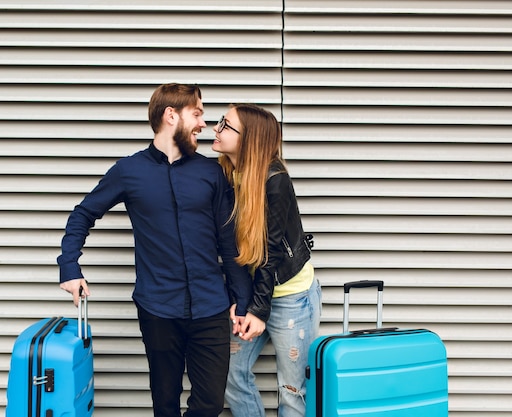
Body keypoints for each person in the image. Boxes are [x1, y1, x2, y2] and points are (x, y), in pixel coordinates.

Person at [57, 83, 252, 417]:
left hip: (211, 307)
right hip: (158, 308)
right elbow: (83, 214)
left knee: (208, 404)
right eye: (197, 114)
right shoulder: (129, 171)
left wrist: (242, 300)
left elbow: (228, 242)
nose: (203, 125)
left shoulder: (211, 172)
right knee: (165, 403)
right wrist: (70, 269)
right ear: (171, 115)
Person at [211, 103, 322, 417]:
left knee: (292, 392)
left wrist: (257, 309)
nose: (215, 129)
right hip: (252, 294)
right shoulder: (224, 176)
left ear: (249, 139)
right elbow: (232, 251)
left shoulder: (275, 180)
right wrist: (238, 300)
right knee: (232, 373)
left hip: (292, 297)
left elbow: (270, 253)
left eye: (226, 125)